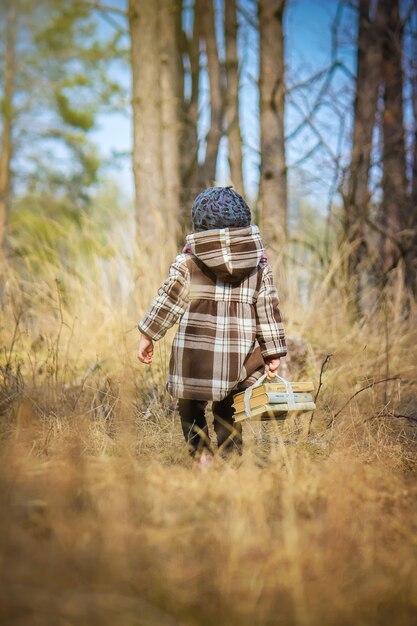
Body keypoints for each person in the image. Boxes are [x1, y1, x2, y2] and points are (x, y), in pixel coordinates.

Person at [137, 186, 287, 464]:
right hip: (236, 357)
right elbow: (268, 308)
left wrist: (148, 334)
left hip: (195, 353)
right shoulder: (258, 266)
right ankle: (230, 457)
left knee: (189, 403)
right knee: (227, 405)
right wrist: (272, 351)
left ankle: (201, 455)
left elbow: (169, 300)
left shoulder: (188, 262)